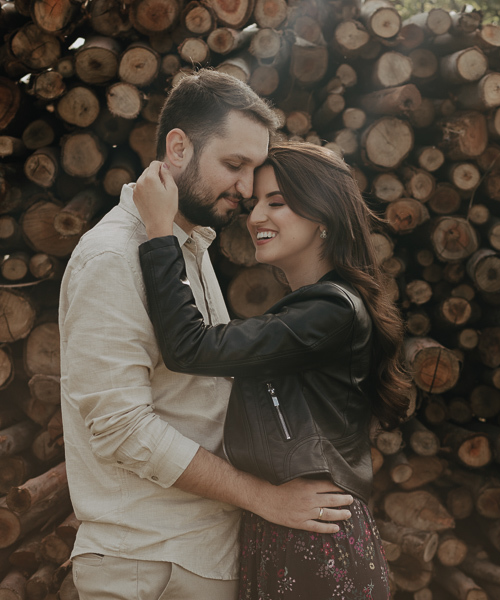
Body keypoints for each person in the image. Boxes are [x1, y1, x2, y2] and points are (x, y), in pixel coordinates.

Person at [59, 70, 353, 600]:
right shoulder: (112, 257)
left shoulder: (187, 249)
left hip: (199, 558)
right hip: (148, 563)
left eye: (253, 169)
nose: (246, 190)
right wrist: (264, 498)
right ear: (177, 147)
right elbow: (122, 427)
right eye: (233, 165)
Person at [131, 141, 410, 599]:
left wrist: (161, 232)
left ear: (324, 217)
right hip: (290, 527)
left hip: (316, 541)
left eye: (276, 203)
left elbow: (190, 347)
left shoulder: (330, 311)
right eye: (254, 202)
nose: (255, 216)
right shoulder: (310, 310)